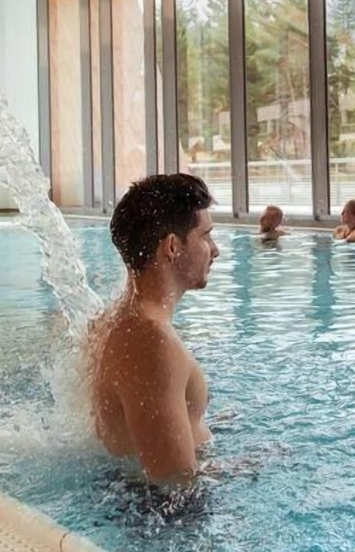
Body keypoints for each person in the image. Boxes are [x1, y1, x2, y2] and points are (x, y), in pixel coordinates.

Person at [88, 173, 219, 486]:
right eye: (206, 236)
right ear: (172, 246)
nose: (215, 250)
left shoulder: (114, 320)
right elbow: (175, 488)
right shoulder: (152, 343)